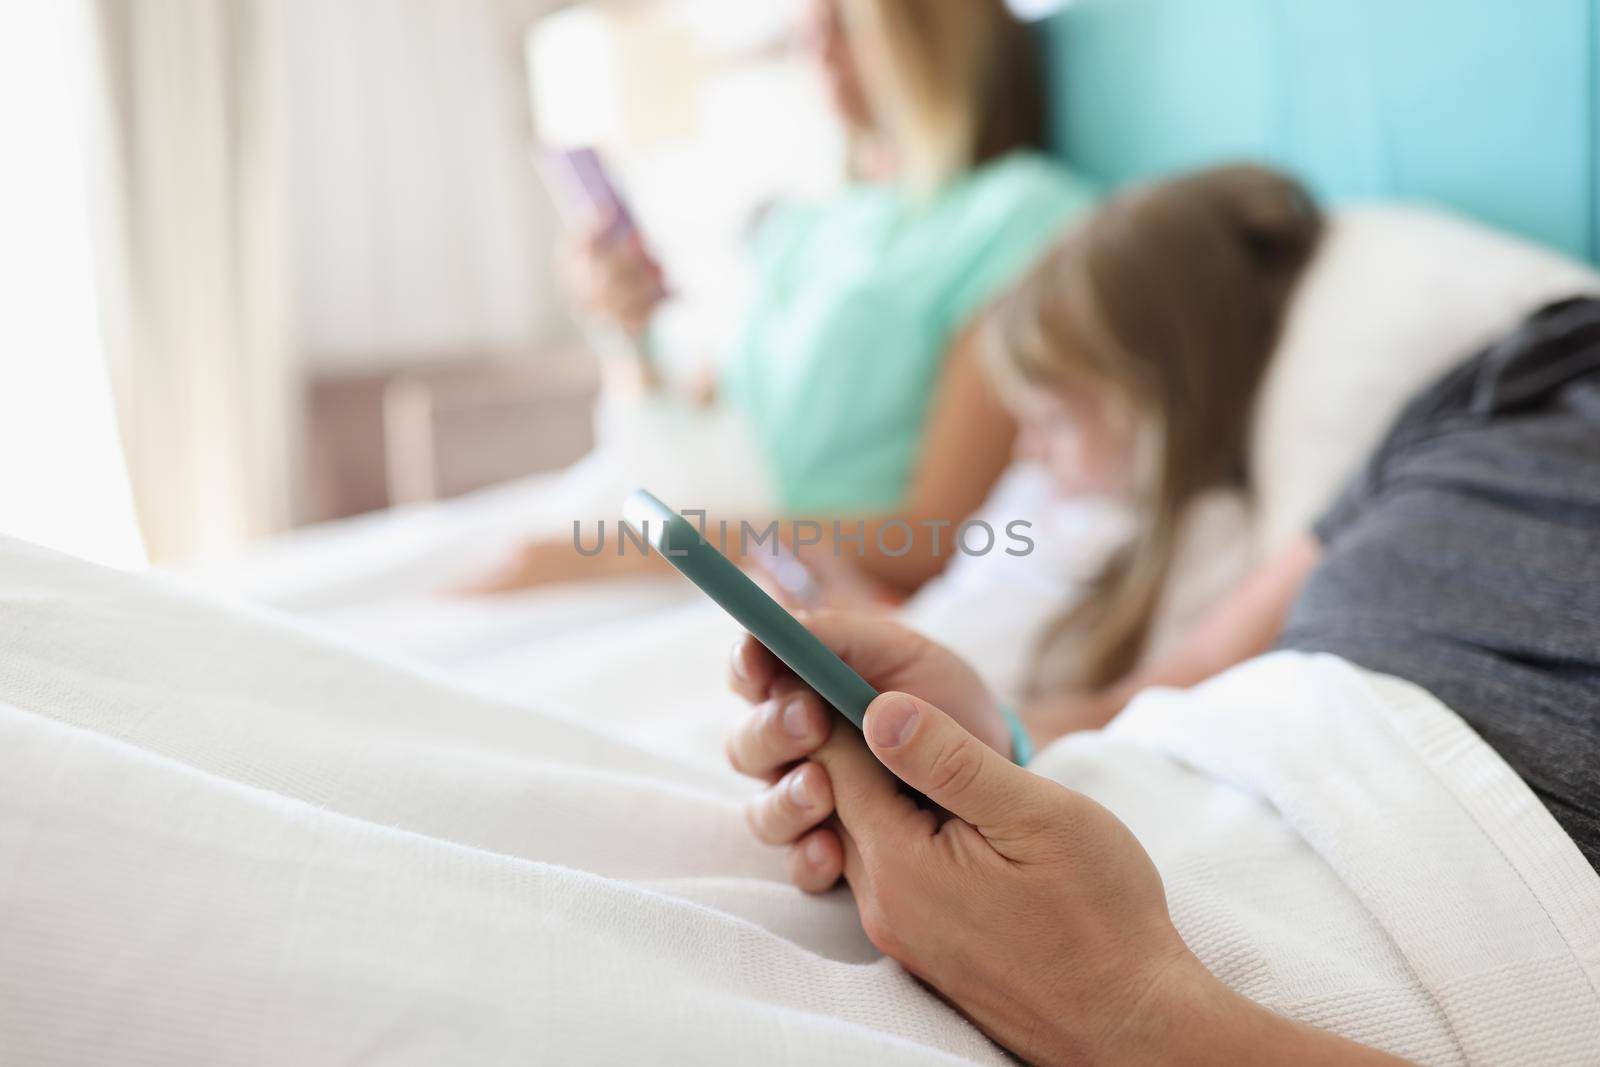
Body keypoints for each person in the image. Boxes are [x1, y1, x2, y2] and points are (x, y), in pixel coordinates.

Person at [722, 282, 1600, 1061]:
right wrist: (993, 738)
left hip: (1412, 929)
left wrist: (1132, 1015)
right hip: (1168, 783)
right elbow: (1172, 683)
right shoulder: (1536, 356)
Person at [465, 0, 1096, 596]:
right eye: (808, 26)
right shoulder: (808, 224)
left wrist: (628, 551)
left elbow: (934, 536)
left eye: (844, 26)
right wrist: (624, 330)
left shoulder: (1019, 219)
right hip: (684, 519)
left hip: (775, 566)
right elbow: (712, 414)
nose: (813, 48)